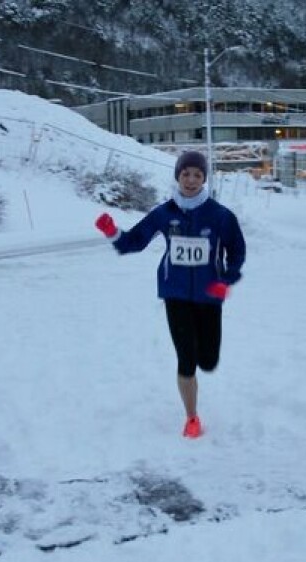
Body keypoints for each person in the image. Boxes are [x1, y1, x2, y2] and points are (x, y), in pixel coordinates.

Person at [95, 151, 246, 439]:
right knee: (186, 359)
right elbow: (134, 241)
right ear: (178, 176)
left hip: (209, 295)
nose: (191, 180)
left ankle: (203, 361)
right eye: (185, 174)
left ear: (204, 179)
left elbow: (237, 252)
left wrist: (226, 279)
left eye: (197, 175)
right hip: (175, 294)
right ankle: (192, 418)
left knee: (208, 361)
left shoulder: (220, 216)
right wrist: (112, 232)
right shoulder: (164, 213)